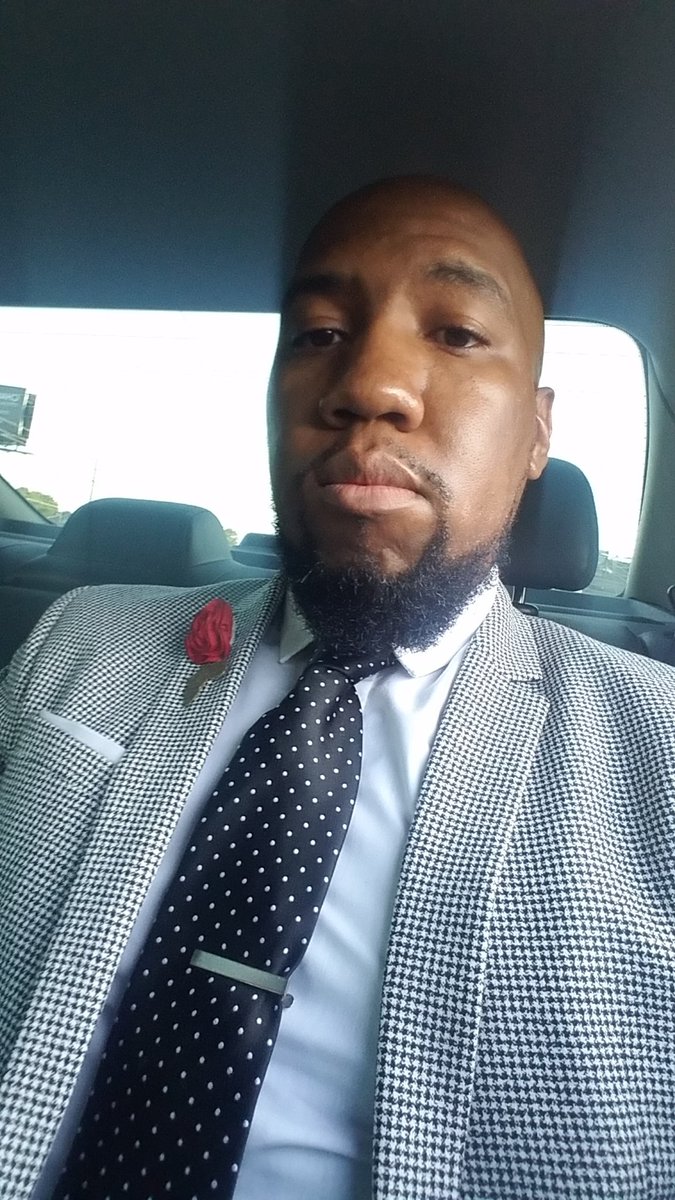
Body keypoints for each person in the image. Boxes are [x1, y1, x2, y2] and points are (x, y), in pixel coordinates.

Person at [1, 176, 674, 1200]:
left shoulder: (656, 749)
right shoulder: (82, 638)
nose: (370, 385)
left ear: (539, 431)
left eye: (456, 334)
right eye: (318, 334)